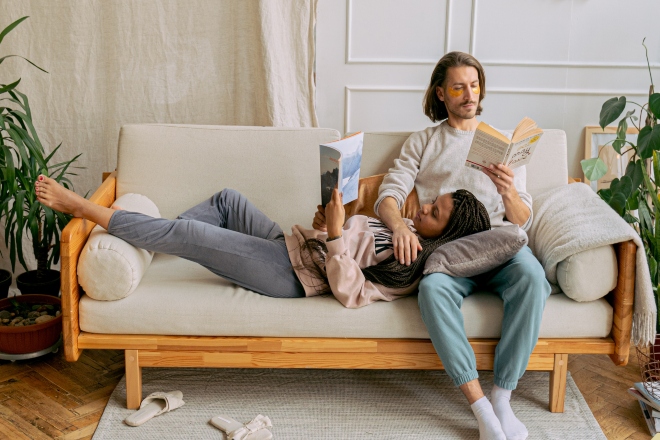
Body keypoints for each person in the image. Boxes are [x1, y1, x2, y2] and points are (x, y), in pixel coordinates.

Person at [315, 52, 551, 440]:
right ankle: (479, 408)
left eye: (474, 86)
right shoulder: (424, 141)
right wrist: (400, 228)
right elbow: (389, 195)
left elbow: (522, 219)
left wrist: (508, 191)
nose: (468, 94)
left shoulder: (504, 144)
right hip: (446, 250)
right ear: (441, 93)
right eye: (458, 87)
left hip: (497, 243)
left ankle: (503, 398)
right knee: (432, 288)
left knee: (532, 277)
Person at [35, 175, 490, 308]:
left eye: (433, 214)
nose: (423, 208)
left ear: (446, 234)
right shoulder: (403, 230)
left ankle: (84, 208)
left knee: (192, 233)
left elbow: (351, 292)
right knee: (228, 200)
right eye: (432, 202)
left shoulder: (409, 266)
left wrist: (334, 233)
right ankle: (152, 237)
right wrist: (327, 221)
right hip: (294, 246)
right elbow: (346, 236)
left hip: (291, 275)